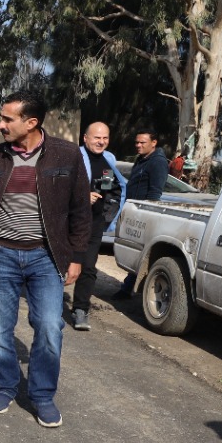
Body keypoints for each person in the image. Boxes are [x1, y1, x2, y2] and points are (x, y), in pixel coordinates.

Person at [0, 91, 90, 427]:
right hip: (0, 255)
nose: (0, 125)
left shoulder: (66, 154)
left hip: (46, 257)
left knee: (49, 326)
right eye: (1, 118)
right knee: (0, 329)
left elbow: (80, 211)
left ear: (31, 122)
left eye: (7, 119)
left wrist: (76, 256)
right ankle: (4, 385)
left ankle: (42, 395)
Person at [69, 122, 127, 331]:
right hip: (70, 221)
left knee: (88, 267)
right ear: (85, 138)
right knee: (60, 264)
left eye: (105, 138)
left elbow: (106, 188)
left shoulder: (107, 160)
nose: (101, 142)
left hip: (94, 223)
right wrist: (82, 196)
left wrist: (107, 211)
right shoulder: (73, 157)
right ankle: (49, 305)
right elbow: (60, 188)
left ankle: (80, 309)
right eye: (97, 137)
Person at [115, 130, 169, 298]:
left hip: (143, 214)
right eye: (137, 142)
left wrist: (147, 214)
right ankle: (127, 288)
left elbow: (155, 191)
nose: (138, 145)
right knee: (135, 250)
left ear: (154, 143)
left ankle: (128, 289)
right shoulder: (141, 160)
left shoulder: (158, 162)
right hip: (133, 211)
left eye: (142, 142)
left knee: (141, 252)